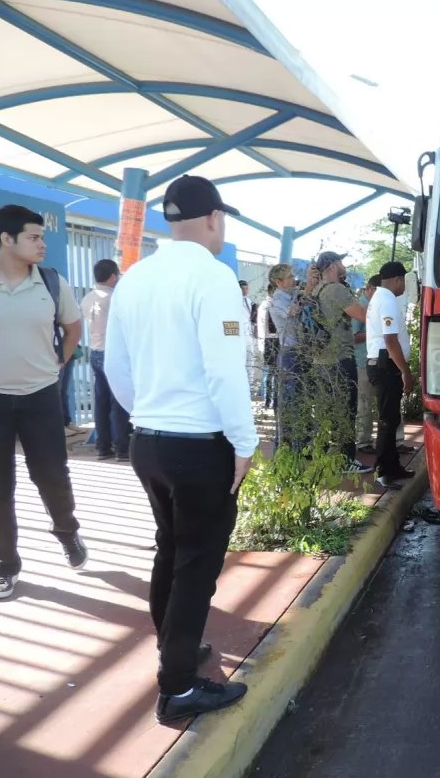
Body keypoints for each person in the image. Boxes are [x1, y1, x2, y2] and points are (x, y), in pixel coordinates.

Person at [104, 174, 256, 723]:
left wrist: (148, 414)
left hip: (148, 441)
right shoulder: (214, 278)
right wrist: (245, 442)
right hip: (200, 447)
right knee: (197, 562)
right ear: (213, 218)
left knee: (170, 547)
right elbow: (225, 369)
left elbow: (115, 367)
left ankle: (175, 647)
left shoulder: (135, 278)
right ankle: (179, 686)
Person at [0, 204, 88, 601]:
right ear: (6, 239)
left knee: (51, 475)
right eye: (33, 237)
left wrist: (59, 363)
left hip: (41, 397)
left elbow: (73, 326)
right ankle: (4, 564)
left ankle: (66, 532)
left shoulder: (51, 282)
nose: (41, 244)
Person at [312, 251, 370, 474]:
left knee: (327, 411)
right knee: (347, 411)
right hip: (339, 359)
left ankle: (327, 458)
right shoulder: (336, 289)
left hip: (321, 360)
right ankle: (346, 462)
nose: (343, 265)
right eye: (341, 261)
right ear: (333, 265)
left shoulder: (316, 290)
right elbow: (362, 315)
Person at [366, 261, 417, 488]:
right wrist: (405, 371)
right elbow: (390, 339)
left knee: (392, 417)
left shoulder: (382, 297)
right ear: (397, 279)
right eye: (404, 281)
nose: (405, 286)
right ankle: (382, 472)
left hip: (386, 364)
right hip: (386, 366)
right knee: (387, 421)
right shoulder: (386, 299)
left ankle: (393, 466)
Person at [81, 259, 131, 461]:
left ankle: (103, 447)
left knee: (101, 402)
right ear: (112, 275)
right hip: (113, 354)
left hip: (95, 352)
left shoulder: (87, 297)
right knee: (118, 401)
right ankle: (122, 448)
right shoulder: (115, 299)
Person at [266, 264, 301, 447]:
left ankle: (296, 445)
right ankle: (285, 448)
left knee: (297, 401)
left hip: (297, 353)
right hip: (289, 354)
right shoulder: (277, 301)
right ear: (279, 282)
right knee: (289, 403)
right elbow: (293, 313)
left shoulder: (290, 296)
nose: (293, 279)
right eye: (289, 277)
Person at [353, 274, 380, 454]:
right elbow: (353, 337)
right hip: (362, 361)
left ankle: (367, 439)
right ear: (369, 289)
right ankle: (363, 441)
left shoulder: (373, 304)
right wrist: (375, 332)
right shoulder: (359, 307)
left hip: (374, 360)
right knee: (364, 402)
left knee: (372, 401)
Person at [256, 282, 279, 410]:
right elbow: (273, 327)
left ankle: (268, 400)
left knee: (269, 373)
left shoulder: (262, 305)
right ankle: (273, 401)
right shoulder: (271, 305)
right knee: (273, 373)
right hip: (272, 340)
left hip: (266, 340)